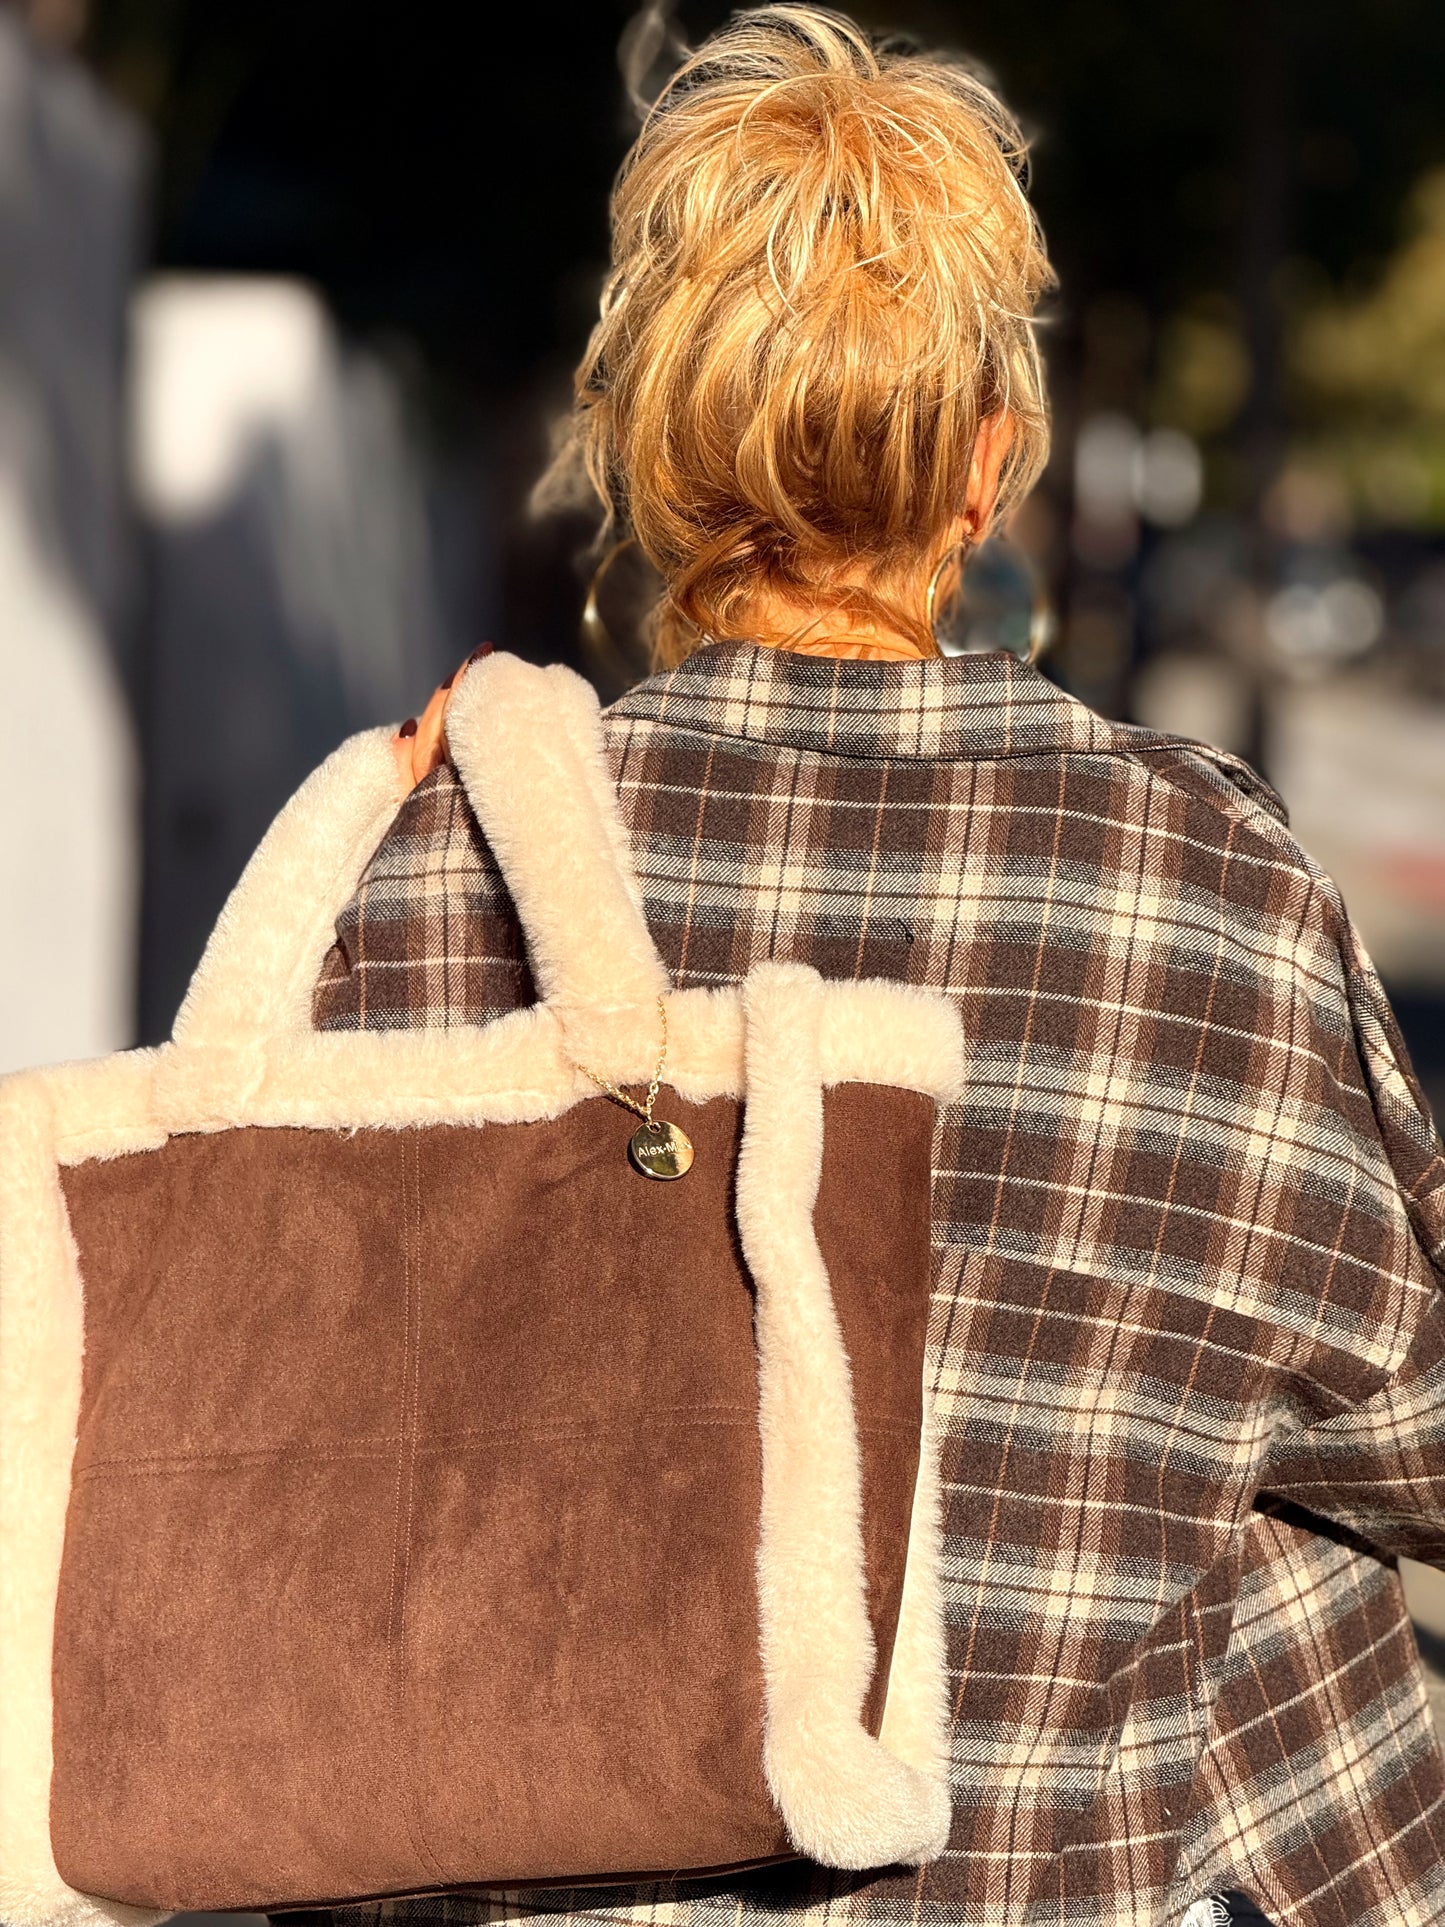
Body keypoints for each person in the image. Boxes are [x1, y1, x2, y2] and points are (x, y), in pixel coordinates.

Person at [293, 9, 1445, 1926]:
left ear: (648, 457)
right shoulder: (1197, 886)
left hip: (524, 1870)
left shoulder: (446, 858)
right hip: (1019, 1869)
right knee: (1245, 1527)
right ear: (987, 470)